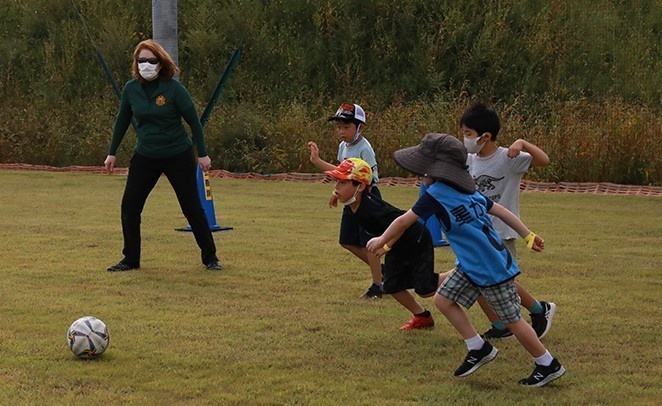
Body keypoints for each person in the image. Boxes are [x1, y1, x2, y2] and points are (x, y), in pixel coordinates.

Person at [367, 133, 565, 387]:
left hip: (490, 268)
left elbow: (404, 221)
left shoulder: (435, 193)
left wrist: (382, 240)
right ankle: (477, 347)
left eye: (422, 169)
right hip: (472, 265)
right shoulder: (466, 189)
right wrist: (527, 234)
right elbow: (500, 210)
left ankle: (547, 364)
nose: (419, 175)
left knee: (513, 321)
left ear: (436, 170)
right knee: (443, 299)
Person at [103, 39, 222, 272]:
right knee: (130, 207)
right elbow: (122, 121)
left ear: (160, 63)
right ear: (136, 64)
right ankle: (130, 259)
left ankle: (211, 258)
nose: (146, 64)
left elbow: (194, 124)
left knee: (191, 208)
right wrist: (112, 152)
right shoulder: (130, 89)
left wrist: (203, 154)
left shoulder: (174, 89)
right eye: (141, 61)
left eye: (151, 60)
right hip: (146, 154)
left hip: (177, 153)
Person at [461, 102, 555, 339]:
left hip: (501, 231)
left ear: (486, 136)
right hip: (476, 231)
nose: (465, 139)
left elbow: (543, 160)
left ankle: (538, 308)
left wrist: (521, 142)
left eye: (468, 134)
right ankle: (501, 326)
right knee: (476, 279)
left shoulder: (509, 158)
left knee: (500, 283)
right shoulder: (469, 159)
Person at [325, 158, 439, 330]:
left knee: (426, 288)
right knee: (392, 285)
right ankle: (422, 317)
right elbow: (344, 191)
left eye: (342, 183)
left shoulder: (371, 210)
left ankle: (461, 276)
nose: (336, 187)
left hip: (415, 238)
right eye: (336, 182)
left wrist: (385, 247)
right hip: (398, 242)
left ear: (360, 187)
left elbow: (401, 225)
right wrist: (335, 196)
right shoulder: (354, 200)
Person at [308, 103, 383, 299]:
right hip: (351, 199)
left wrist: (355, 191)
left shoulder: (365, 149)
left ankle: (378, 285)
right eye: (339, 127)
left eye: (346, 127)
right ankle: (383, 271)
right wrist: (337, 192)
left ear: (360, 128)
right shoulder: (343, 147)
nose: (342, 132)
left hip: (366, 199)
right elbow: (343, 174)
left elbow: (371, 179)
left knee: (371, 244)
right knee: (347, 241)